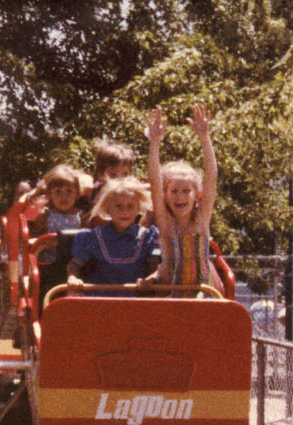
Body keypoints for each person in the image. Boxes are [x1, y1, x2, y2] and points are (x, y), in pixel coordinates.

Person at [142, 104, 222, 293]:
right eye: (174, 191)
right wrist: (155, 141)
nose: (180, 196)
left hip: (201, 291)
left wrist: (204, 137)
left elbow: (211, 176)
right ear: (165, 196)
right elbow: (154, 180)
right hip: (171, 290)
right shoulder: (166, 222)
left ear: (197, 196)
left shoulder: (200, 220)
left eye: (186, 191)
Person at [67, 176, 160, 292]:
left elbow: (155, 267)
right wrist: (73, 277)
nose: (125, 212)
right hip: (100, 298)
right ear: (108, 208)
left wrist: (150, 279)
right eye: (118, 206)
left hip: (134, 299)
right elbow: (74, 265)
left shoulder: (148, 237)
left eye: (130, 206)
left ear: (138, 208)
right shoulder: (93, 237)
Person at [26, 165, 83, 309]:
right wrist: (44, 242)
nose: (64, 197)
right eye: (58, 192)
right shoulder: (45, 215)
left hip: (75, 263)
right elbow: (34, 239)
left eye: (69, 191)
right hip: (50, 263)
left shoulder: (81, 216)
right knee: (46, 285)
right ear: (50, 195)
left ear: (77, 193)